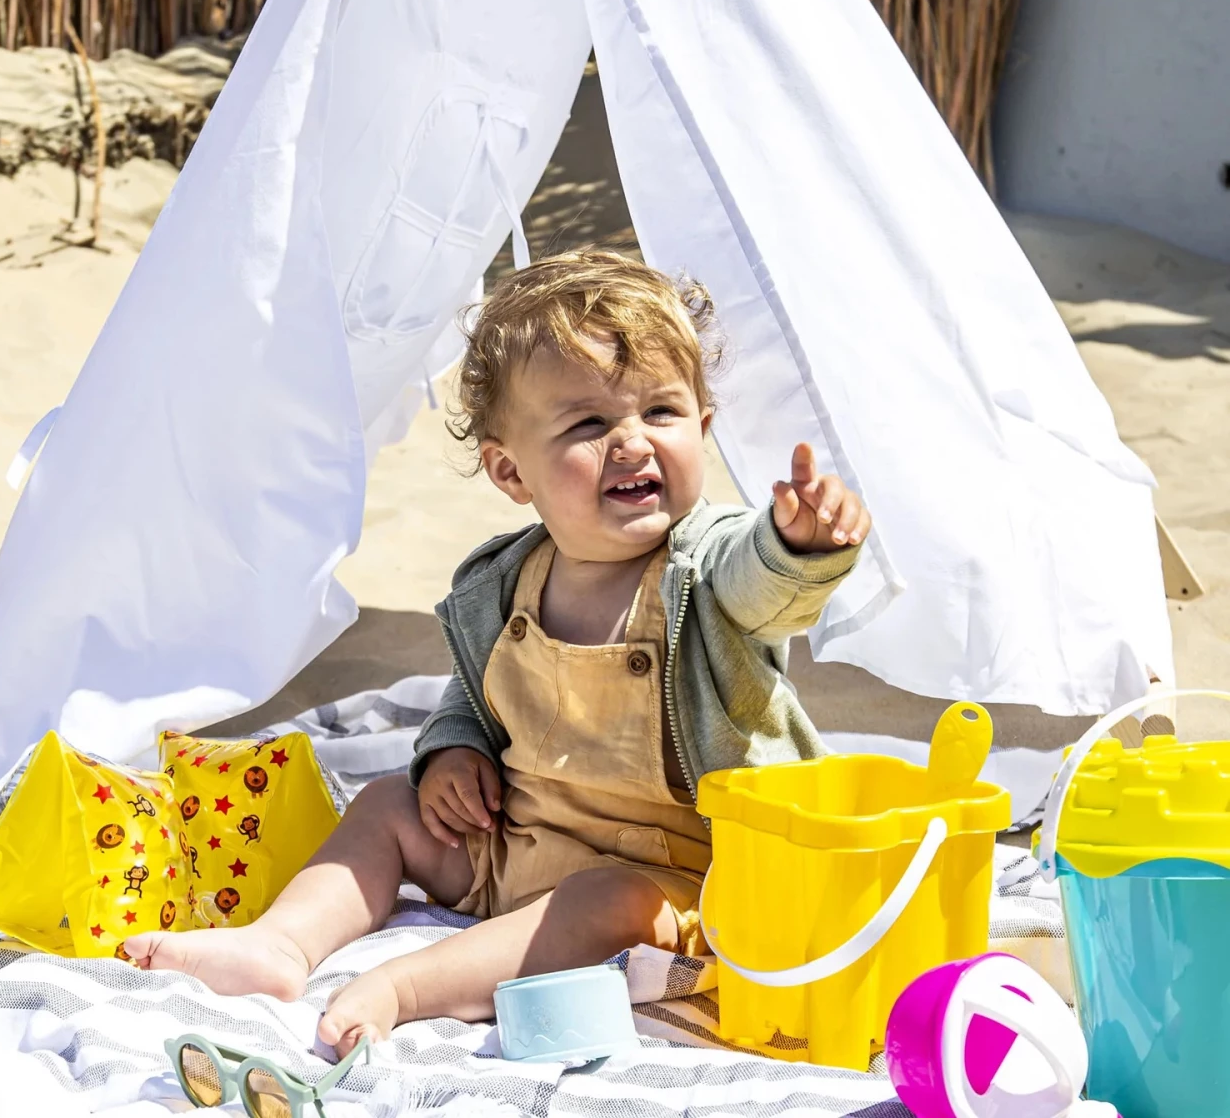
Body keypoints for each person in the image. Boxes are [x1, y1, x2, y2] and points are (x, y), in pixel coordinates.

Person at [123, 251, 869, 1053]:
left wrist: (798, 548)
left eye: (661, 411)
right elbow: (479, 692)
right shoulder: (505, 583)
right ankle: (280, 946)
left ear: (704, 429)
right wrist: (454, 749)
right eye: (588, 424)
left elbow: (765, 588)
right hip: (514, 848)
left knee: (607, 905)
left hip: (680, 877)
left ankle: (410, 986)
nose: (632, 442)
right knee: (388, 806)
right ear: (511, 470)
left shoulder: (708, 562)